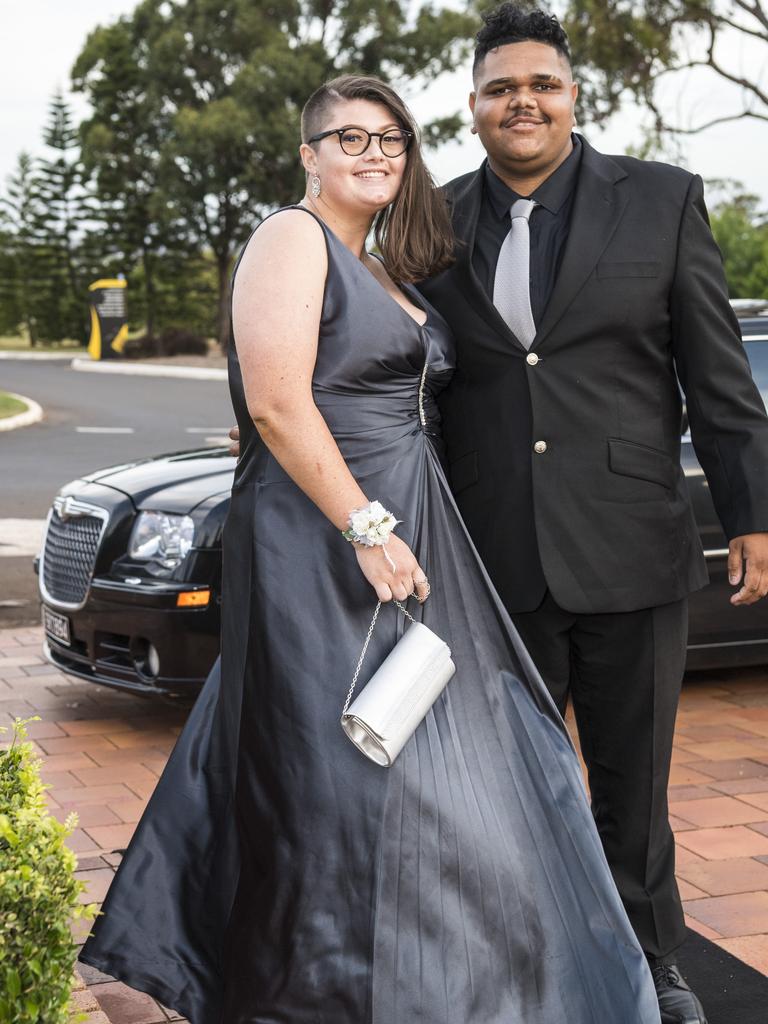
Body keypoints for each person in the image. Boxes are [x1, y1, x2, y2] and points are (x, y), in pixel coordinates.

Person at [221, 10, 768, 1024]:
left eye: (543, 85)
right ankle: (527, 963)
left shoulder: (661, 201)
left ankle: (655, 964)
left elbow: (719, 379)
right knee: (497, 790)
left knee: (630, 788)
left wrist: (753, 516)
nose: (523, 101)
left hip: (632, 546)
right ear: (472, 106)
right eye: (500, 86)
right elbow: (367, 365)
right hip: (480, 556)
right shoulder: (427, 224)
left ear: (571, 97)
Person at [79, 75, 663, 1023]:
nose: (375, 154)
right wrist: (364, 529)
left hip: (407, 526)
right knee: (339, 767)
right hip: (329, 541)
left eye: (392, 139)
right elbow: (275, 401)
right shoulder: (290, 236)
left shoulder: (385, 263)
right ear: (308, 154)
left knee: (427, 748)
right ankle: (321, 988)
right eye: (350, 138)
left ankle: (428, 977)